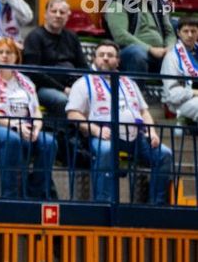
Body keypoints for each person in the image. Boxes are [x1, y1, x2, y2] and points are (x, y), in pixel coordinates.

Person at [65, 41, 173, 205]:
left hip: (136, 135)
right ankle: (103, 202)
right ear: (94, 59)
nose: (106, 59)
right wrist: (94, 129)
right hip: (103, 134)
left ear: (118, 60)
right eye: (101, 55)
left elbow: (144, 111)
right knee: (106, 150)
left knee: (165, 154)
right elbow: (73, 113)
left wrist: (151, 131)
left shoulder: (129, 82)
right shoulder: (83, 83)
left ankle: (156, 204)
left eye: (110, 55)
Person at [0, 37, 55, 199]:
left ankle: (36, 193)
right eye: (0, 52)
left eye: (9, 52)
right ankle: (11, 195)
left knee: (49, 143)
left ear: (16, 58)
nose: (5, 56)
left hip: (23, 127)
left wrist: (36, 127)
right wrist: (15, 126)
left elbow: (36, 111)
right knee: (12, 139)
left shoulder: (26, 81)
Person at [22, 0, 87, 119]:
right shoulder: (35, 37)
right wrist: (63, 89)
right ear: (46, 14)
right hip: (43, 87)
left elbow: (83, 66)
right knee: (62, 100)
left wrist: (84, 86)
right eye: (54, 11)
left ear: (67, 16)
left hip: (73, 85)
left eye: (62, 12)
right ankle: (67, 137)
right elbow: (33, 72)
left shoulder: (72, 36)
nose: (58, 15)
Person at [105, 0, 175, 77]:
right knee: (137, 52)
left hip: (161, 51)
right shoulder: (117, 4)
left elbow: (170, 32)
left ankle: (176, 92)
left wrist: (169, 48)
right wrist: (150, 49)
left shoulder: (157, 4)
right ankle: (135, 91)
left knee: (177, 55)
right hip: (129, 52)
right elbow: (121, 36)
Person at [163, 16, 198, 123]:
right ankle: (184, 120)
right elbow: (172, 94)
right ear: (178, 33)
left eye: (193, 31)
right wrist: (195, 92)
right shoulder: (172, 57)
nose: (190, 35)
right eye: (186, 31)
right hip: (179, 102)